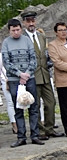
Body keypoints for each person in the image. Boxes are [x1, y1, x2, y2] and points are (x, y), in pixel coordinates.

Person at [2, 18, 44, 146]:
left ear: (21, 28)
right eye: (13, 30)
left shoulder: (26, 40)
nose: (16, 32)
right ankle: (21, 137)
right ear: (9, 31)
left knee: (33, 107)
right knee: (18, 108)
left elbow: (33, 59)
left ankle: (35, 135)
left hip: (29, 79)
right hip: (15, 80)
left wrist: (27, 74)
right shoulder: (6, 43)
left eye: (18, 29)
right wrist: (20, 74)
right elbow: (6, 62)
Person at [21, 12, 57, 139]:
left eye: (33, 21)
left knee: (51, 102)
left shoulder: (41, 36)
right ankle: (39, 131)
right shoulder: (22, 37)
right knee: (35, 105)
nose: (31, 23)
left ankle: (49, 128)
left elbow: (45, 54)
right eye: (28, 21)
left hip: (45, 74)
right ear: (24, 23)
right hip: (32, 76)